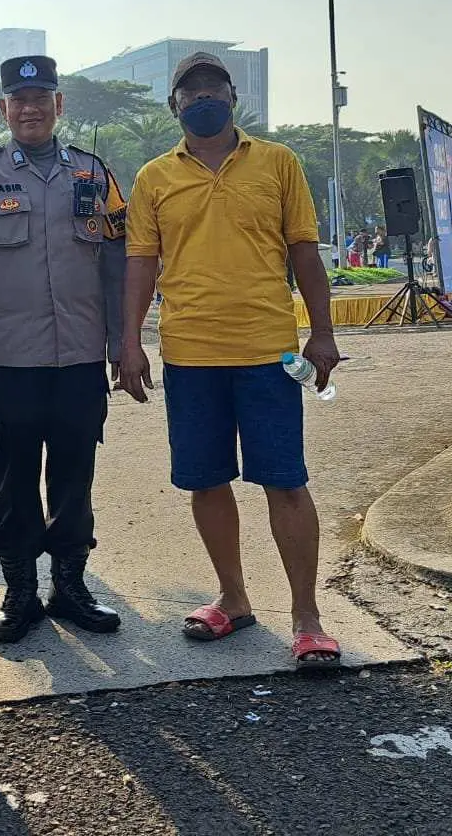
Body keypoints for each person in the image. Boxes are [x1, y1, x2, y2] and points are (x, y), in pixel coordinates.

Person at [117, 53, 343, 669]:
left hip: (267, 351)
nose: (202, 102)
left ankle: (307, 617)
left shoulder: (277, 163)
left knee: (286, 482)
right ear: (175, 107)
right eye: (190, 96)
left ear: (233, 99)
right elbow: (141, 263)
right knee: (205, 481)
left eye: (213, 92)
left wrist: (321, 332)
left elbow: (304, 252)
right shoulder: (154, 178)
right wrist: (129, 340)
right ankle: (233, 598)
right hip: (189, 353)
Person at [0, 56, 128, 645]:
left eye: (41, 97)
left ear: (58, 105)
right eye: (18, 100)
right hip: (5, 359)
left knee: (76, 475)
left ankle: (69, 587)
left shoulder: (94, 175)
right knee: (14, 478)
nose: (29, 108)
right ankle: (19, 592)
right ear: (3, 109)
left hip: (78, 357)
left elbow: (120, 262)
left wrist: (122, 344)